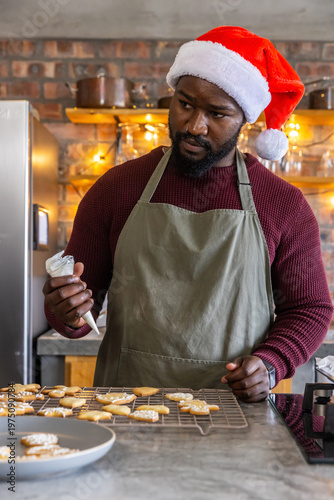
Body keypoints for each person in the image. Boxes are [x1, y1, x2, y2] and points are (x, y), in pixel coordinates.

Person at [43, 26, 333, 402]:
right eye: (184, 104)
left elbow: (310, 309)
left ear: (243, 118)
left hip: (236, 408)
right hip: (127, 402)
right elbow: (78, 305)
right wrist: (65, 309)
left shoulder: (282, 204)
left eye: (217, 114)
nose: (195, 125)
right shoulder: (118, 188)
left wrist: (271, 362)